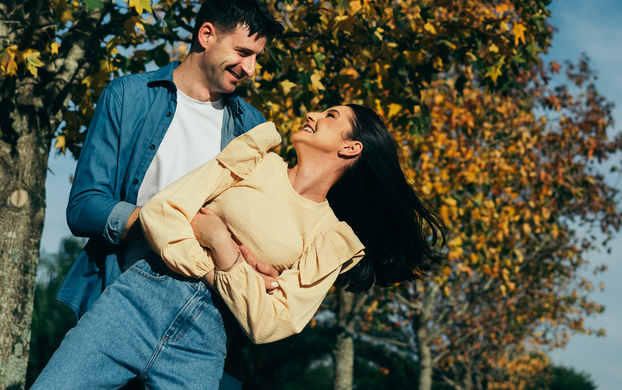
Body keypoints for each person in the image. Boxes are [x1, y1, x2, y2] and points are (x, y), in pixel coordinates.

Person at [32, 103, 444, 390]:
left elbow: (270, 323)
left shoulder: (331, 237)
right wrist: (236, 274)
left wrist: (218, 241)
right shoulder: (254, 158)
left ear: (350, 147)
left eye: (330, 116)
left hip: (205, 343)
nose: (313, 114)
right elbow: (163, 212)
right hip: (137, 301)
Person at [56, 0, 284, 387]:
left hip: (206, 315)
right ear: (206, 35)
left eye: (256, 58)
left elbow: (257, 231)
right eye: (243, 52)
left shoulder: (252, 127)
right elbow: (85, 207)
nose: (250, 69)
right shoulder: (127, 97)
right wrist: (167, 225)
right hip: (122, 295)